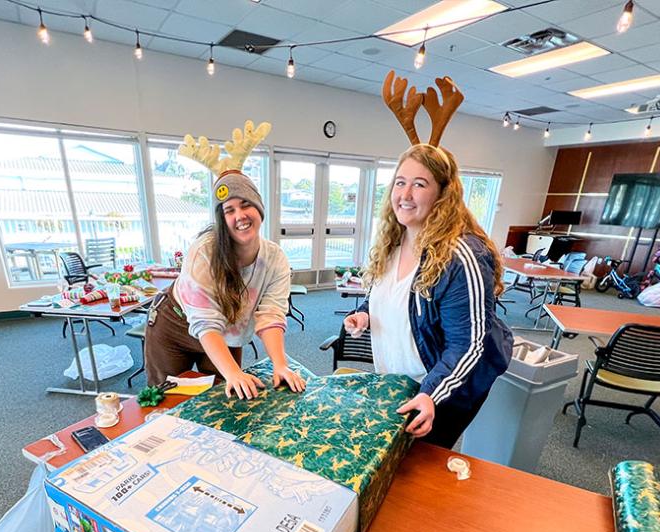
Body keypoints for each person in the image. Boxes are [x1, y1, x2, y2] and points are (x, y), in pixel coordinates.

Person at [344, 143, 513, 448]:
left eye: (419, 184)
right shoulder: (393, 241)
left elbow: (471, 343)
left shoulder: (460, 256)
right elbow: (392, 296)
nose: (405, 195)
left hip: (439, 387)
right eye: (400, 182)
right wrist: (366, 314)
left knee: (418, 468)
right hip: (397, 380)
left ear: (442, 194)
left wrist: (431, 393)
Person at [144, 168, 305, 399]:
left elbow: (271, 315)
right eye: (230, 210)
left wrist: (280, 365)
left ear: (259, 208)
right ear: (222, 219)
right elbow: (206, 324)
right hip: (175, 326)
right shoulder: (204, 252)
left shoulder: (275, 258)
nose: (240, 216)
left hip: (228, 328)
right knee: (170, 398)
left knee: (226, 396)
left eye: (245, 205)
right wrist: (232, 372)